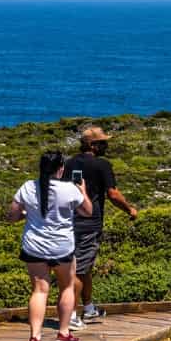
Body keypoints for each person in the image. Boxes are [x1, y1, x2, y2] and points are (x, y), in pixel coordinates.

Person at [6, 150, 91, 341]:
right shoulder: (70, 189)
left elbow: (11, 216)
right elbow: (87, 212)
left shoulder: (27, 187)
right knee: (67, 287)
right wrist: (83, 191)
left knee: (39, 290)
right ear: (61, 169)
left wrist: (27, 215)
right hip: (62, 247)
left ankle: (34, 338)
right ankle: (63, 333)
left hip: (34, 247)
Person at [63, 126, 138, 327]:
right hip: (90, 222)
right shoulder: (102, 165)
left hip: (69, 222)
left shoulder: (70, 163)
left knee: (82, 266)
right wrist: (129, 209)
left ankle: (88, 309)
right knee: (79, 270)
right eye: (103, 142)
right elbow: (112, 194)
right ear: (93, 145)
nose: (107, 145)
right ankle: (70, 316)